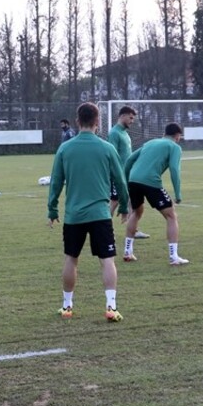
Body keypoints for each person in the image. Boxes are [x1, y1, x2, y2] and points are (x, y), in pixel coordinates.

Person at [47, 102, 130, 322]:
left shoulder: (65, 148)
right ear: (97, 121)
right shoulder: (106, 148)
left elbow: (56, 181)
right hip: (100, 215)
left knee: (71, 259)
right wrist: (123, 206)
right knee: (107, 260)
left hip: (74, 216)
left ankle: (66, 307)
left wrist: (52, 208)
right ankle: (111, 307)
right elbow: (120, 181)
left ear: (77, 121)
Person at [122, 122, 188, 265]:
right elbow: (174, 170)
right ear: (177, 136)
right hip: (151, 182)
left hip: (133, 180)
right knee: (171, 216)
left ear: (165, 133)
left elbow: (129, 161)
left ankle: (127, 252)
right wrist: (178, 194)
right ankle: (174, 257)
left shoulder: (150, 142)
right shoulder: (174, 147)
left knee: (136, 213)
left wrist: (127, 180)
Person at [106, 106, 148, 239]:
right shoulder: (114, 133)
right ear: (122, 116)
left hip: (128, 174)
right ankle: (102, 230)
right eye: (130, 118)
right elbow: (111, 154)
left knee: (131, 202)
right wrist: (115, 174)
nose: (132, 121)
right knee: (115, 201)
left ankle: (133, 230)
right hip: (118, 175)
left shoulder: (125, 133)